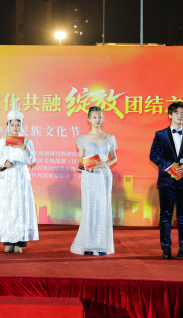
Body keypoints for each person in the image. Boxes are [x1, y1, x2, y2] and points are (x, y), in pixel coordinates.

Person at [150, 101, 183, 260]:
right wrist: (169, 166)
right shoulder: (160, 135)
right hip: (167, 181)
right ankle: (166, 248)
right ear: (170, 115)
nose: (180, 116)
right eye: (177, 113)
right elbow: (153, 155)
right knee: (165, 215)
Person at [0, 100, 39, 253]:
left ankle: (20, 242)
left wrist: (25, 149)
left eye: (18, 125)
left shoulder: (27, 142)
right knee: (7, 208)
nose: (15, 128)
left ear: (22, 125)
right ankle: (7, 242)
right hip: (7, 177)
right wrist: (4, 162)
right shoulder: (2, 141)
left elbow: (32, 160)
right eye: (12, 125)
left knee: (20, 207)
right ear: (8, 125)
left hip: (22, 178)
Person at [70, 106, 118, 256]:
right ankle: (88, 244)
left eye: (100, 117)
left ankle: (101, 244)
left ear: (103, 119)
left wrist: (106, 164)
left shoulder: (109, 138)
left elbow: (114, 158)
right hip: (89, 176)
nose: (98, 120)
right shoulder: (83, 139)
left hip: (104, 175)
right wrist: (86, 166)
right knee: (89, 207)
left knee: (103, 207)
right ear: (89, 119)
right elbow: (80, 158)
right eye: (95, 117)